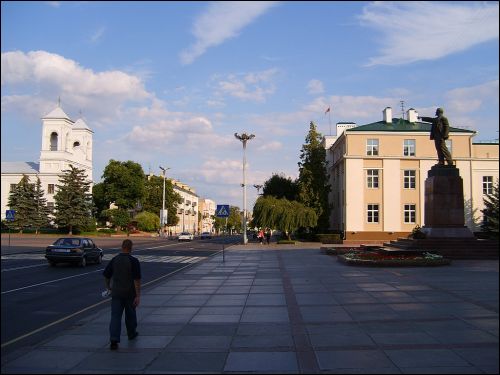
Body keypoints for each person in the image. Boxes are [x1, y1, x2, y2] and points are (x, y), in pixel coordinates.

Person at [103, 239, 141, 350]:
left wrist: (108, 287)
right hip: (130, 293)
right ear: (131, 248)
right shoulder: (134, 261)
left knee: (115, 317)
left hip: (116, 293)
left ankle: (114, 340)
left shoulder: (115, 260)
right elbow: (136, 280)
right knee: (130, 316)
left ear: (122, 247)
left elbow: (106, 275)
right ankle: (131, 333)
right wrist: (138, 295)